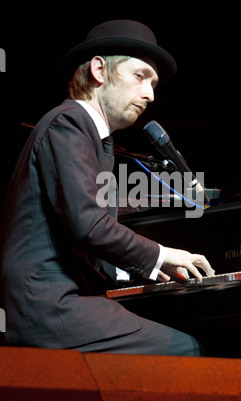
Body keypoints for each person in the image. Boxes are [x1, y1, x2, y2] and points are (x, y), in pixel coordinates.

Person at [0, 20, 214, 355]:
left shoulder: (96, 138)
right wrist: (162, 255)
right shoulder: (68, 123)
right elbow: (91, 225)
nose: (150, 95)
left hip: (67, 299)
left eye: (154, 84)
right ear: (100, 70)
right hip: (46, 305)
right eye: (140, 77)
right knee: (185, 349)